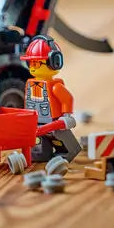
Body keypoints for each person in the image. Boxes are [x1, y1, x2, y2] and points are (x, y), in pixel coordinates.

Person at [20, 35, 81, 163]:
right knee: (39, 141)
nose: (33, 67)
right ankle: (41, 154)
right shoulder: (30, 84)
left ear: (54, 62)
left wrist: (66, 115)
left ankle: (66, 152)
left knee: (59, 138)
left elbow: (67, 99)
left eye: (37, 63)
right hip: (36, 121)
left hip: (54, 122)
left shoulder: (55, 87)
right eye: (30, 63)